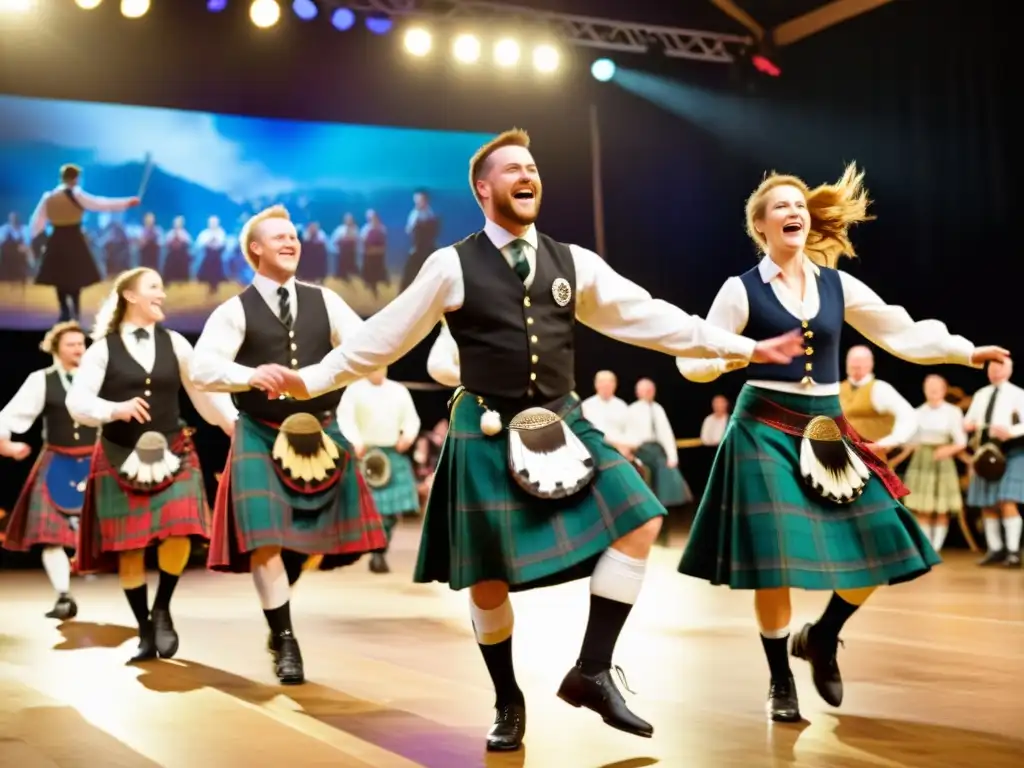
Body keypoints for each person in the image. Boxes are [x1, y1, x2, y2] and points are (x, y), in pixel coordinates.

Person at [263, 129, 805, 751]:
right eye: (513, 168)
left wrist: (740, 346)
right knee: (487, 580)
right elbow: (380, 338)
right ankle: (506, 697)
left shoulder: (572, 260)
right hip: (486, 426)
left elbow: (650, 316)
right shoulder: (450, 264)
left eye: (533, 166)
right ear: (483, 188)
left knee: (642, 519)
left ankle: (592, 669)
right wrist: (308, 381)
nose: (528, 174)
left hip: (561, 421)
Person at [674, 163, 1008, 723]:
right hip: (762, 429)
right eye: (780, 206)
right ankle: (780, 681)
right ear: (760, 226)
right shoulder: (740, 290)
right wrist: (732, 355)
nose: (794, 212)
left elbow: (901, 331)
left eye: (799, 205)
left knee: (882, 540)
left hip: (826, 428)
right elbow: (691, 362)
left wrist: (965, 352)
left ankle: (823, 636)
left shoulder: (837, 283)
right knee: (775, 562)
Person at [189, 205, 386, 685]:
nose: (291, 242)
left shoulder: (327, 301)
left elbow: (366, 347)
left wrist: (326, 385)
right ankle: (285, 638)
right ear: (255, 249)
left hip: (320, 431)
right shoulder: (233, 310)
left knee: (309, 543)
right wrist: (248, 374)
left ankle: (277, 609)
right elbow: (200, 368)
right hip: (259, 431)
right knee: (265, 540)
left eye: (294, 236)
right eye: (278, 236)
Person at [66, 267, 237, 663]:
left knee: (181, 529)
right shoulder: (102, 349)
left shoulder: (176, 343)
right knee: (129, 549)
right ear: (130, 296)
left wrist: (230, 422)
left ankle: (162, 608)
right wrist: (115, 408)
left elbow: (204, 394)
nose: (163, 295)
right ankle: (144, 629)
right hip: (118, 454)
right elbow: (78, 403)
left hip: (174, 451)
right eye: (154, 288)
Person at [0, 321, 96, 620]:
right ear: (55, 348)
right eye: (71, 344)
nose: (79, 348)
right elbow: (11, 414)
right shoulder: (41, 380)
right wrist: (5, 443)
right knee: (51, 536)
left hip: (95, 463)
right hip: (56, 461)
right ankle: (64, 596)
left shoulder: (98, 380)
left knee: (109, 531)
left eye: (82, 343)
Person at [337, 367, 421, 574]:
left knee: (390, 512)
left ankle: (380, 550)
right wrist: (355, 441)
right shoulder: (354, 390)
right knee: (371, 511)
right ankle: (372, 549)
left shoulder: (399, 390)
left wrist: (407, 436)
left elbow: (412, 419)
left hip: (392, 454)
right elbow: (345, 418)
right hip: (365, 455)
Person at [30, 164, 139, 322]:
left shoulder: (48, 197)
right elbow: (101, 204)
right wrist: (127, 202)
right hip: (74, 239)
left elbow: (36, 223)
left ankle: (64, 311)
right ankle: (75, 310)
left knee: (59, 276)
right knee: (74, 276)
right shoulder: (77, 194)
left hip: (56, 239)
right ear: (75, 178)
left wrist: (40, 241)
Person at [964, 358, 1024, 567]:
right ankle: (995, 549)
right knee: (987, 503)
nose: (996, 372)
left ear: (1009, 370)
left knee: (1007, 500)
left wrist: (1011, 432)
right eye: (992, 368)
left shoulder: (1018, 394)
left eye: (1000, 368)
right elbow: (969, 420)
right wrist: (969, 425)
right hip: (984, 451)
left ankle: (1014, 551)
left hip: (1011, 450)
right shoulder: (981, 395)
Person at [902, 374, 969, 552]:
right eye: (929, 387)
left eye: (937, 387)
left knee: (941, 507)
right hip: (923, 460)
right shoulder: (917, 412)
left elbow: (961, 441)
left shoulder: (953, 412)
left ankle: (935, 547)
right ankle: (926, 546)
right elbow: (910, 440)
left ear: (944, 389)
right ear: (924, 389)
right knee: (922, 506)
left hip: (943, 459)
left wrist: (948, 449)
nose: (933, 390)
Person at [839, 345, 918, 455]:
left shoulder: (880, 388)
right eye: (852, 362)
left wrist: (887, 443)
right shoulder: (838, 389)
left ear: (870, 364)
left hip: (873, 459)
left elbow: (909, 415)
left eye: (860, 362)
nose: (855, 365)